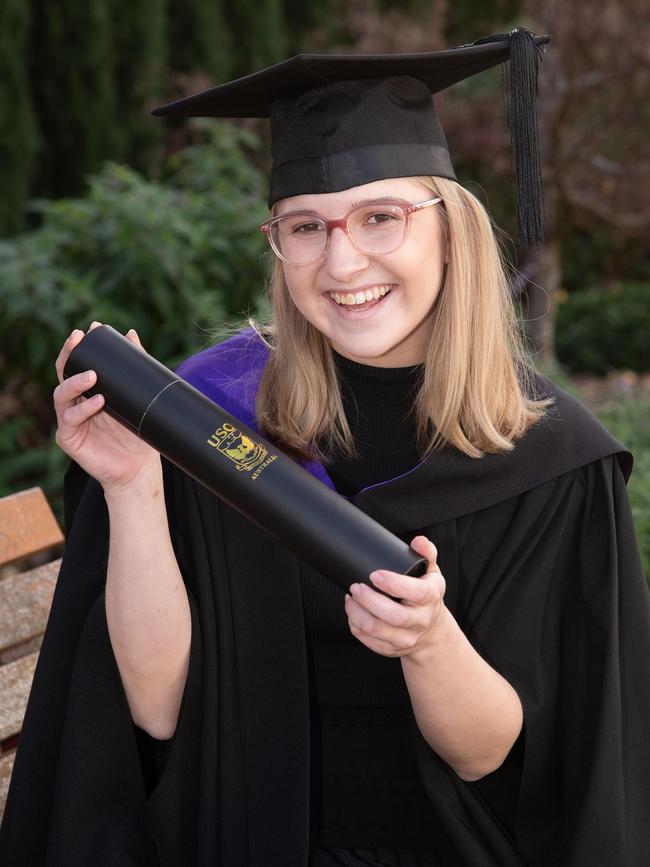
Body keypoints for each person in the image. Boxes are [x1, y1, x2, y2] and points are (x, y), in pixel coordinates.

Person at [2, 28, 649, 867]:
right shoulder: (211, 419)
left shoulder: (550, 459)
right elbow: (159, 711)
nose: (342, 261)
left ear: (450, 231)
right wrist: (132, 487)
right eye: (305, 226)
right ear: (276, 242)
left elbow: (488, 753)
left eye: (381, 217)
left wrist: (428, 639)